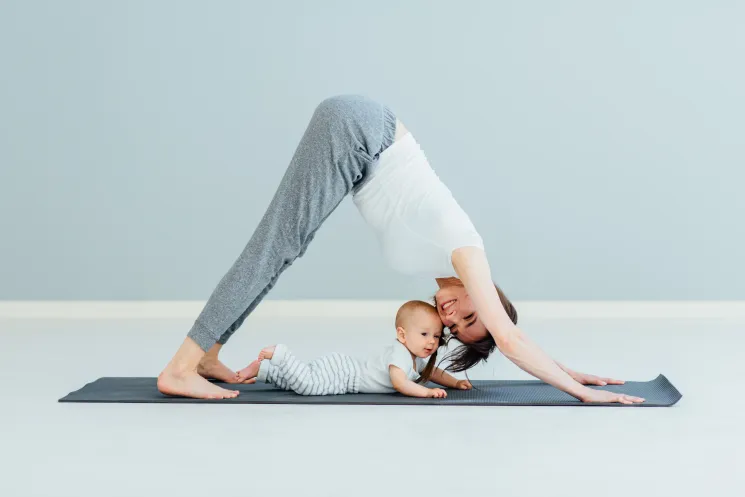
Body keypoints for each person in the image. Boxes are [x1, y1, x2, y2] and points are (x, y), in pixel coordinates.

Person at [157, 94, 645, 405]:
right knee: (275, 247)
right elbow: (512, 340)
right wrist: (581, 393)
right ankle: (180, 367)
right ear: (490, 295)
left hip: (361, 141)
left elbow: (509, 338)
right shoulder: (466, 250)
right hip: (361, 132)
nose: (450, 318)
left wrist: (565, 368)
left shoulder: (442, 268)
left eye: (452, 329)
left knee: (283, 247)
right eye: (472, 317)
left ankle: (205, 356)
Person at [233, 300, 471, 397]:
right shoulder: (400, 353)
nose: (431, 342)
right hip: (344, 376)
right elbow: (400, 383)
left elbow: (434, 373)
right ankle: (281, 355)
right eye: (424, 335)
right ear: (402, 334)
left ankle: (264, 371)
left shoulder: (415, 357)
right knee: (307, 385)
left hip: (343, 369)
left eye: (437, 336)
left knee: (298, 381)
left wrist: (455, 382)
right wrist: (427, 393)